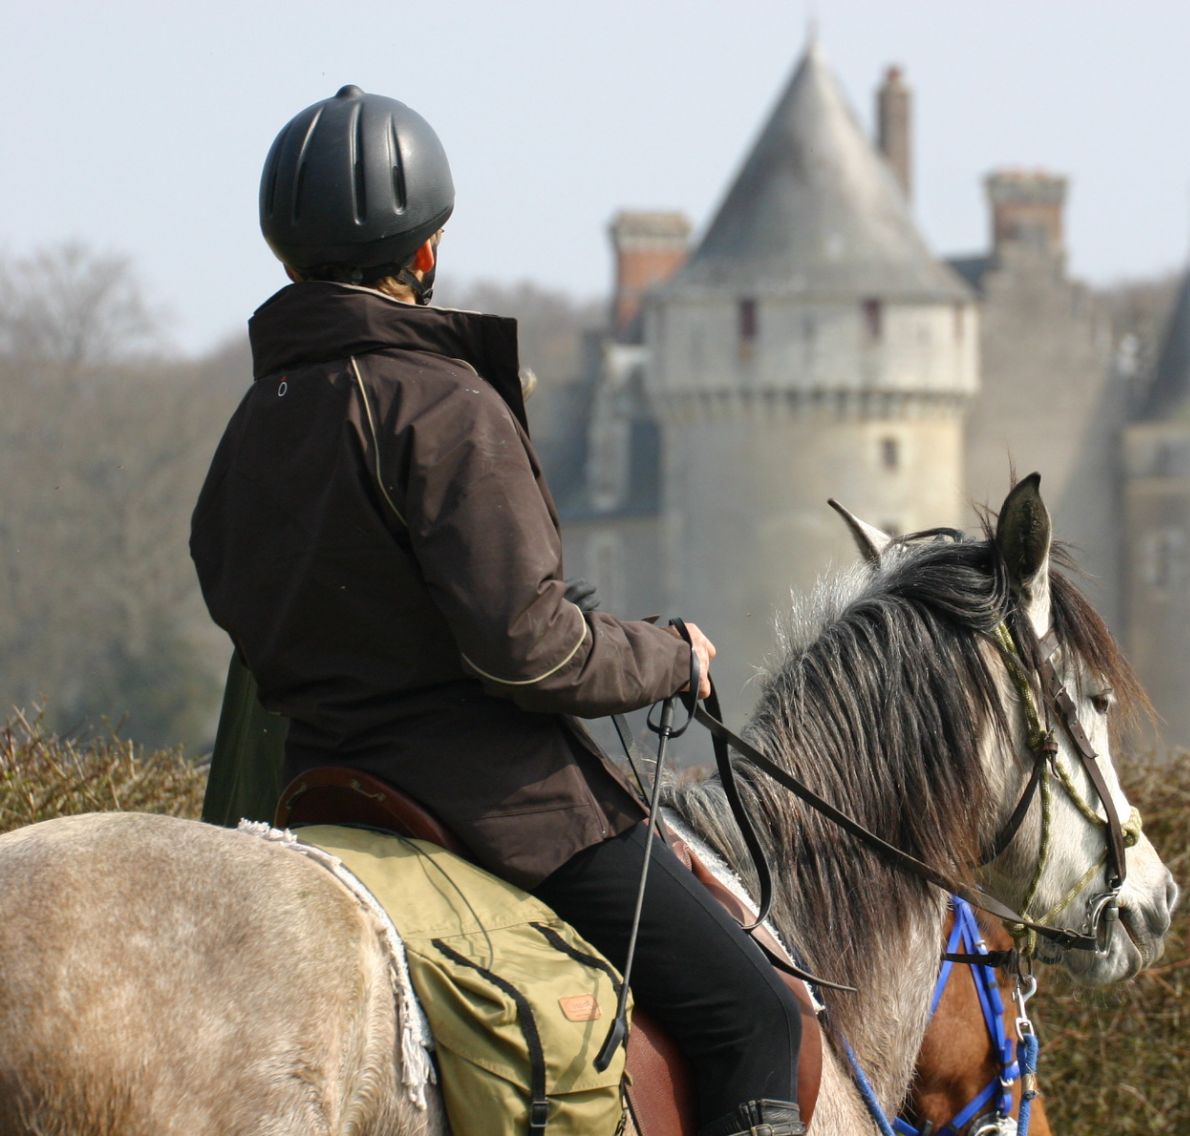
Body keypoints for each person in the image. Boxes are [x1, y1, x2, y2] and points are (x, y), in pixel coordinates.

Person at [190, 85, 803, 1136]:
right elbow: (533, 653)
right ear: (425, 251)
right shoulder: (443, 403)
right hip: (498, 807)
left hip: (321, 790)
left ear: (287, 258)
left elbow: (235, 595)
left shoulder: (253, 422)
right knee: (755, 1014)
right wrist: (667, 653)